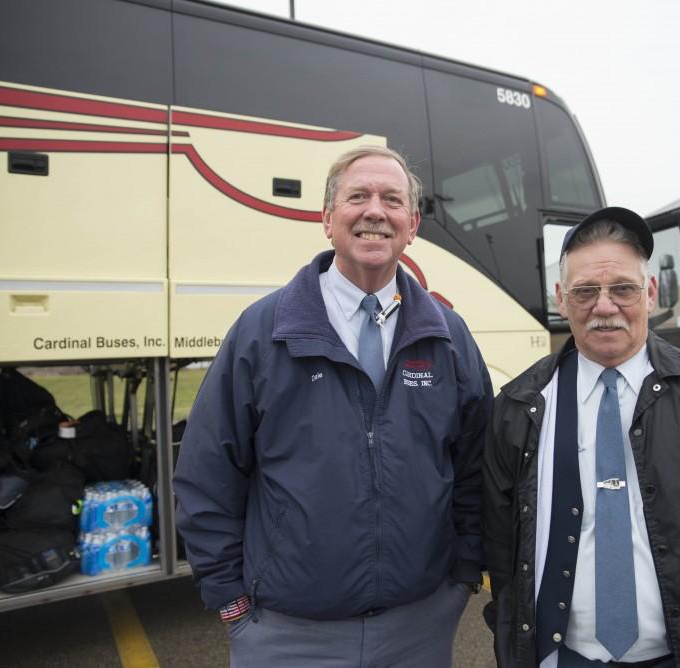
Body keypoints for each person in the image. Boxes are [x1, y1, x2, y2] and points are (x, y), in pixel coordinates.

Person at [174, 145, 492, 667]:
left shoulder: (448, 337)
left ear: (411, 226)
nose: (375, 211)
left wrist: (461, 576)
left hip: (418, 630)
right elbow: (206, 473)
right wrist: (231, 600)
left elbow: (476, 468)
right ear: (326, 219)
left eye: (392, 200)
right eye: (357, 196)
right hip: (287, 636)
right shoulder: (262, 331)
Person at [481, 206, 680, 668]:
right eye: (585, 291)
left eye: (622, 288)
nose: (604, 306)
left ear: (650, 292)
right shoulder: (519, 405)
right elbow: (501, 546)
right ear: (561, 299)